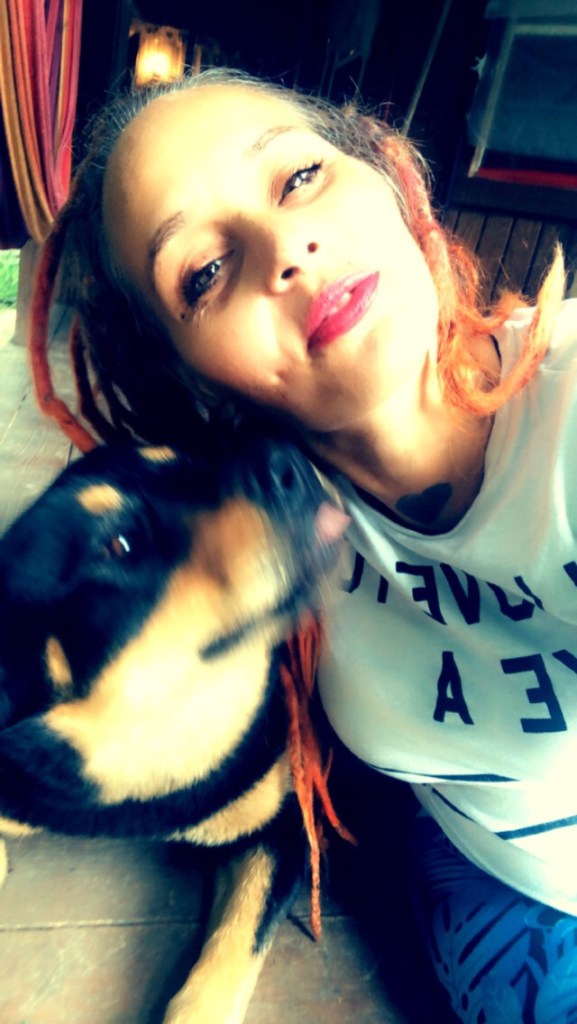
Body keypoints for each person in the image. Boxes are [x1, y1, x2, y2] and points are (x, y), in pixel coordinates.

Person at [32, 67, 577, 1023]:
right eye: (203, 273)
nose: (285, 248)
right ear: (186, 374)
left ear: (391, 178)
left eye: (298, 178)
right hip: (493, 883)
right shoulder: (254, 541)